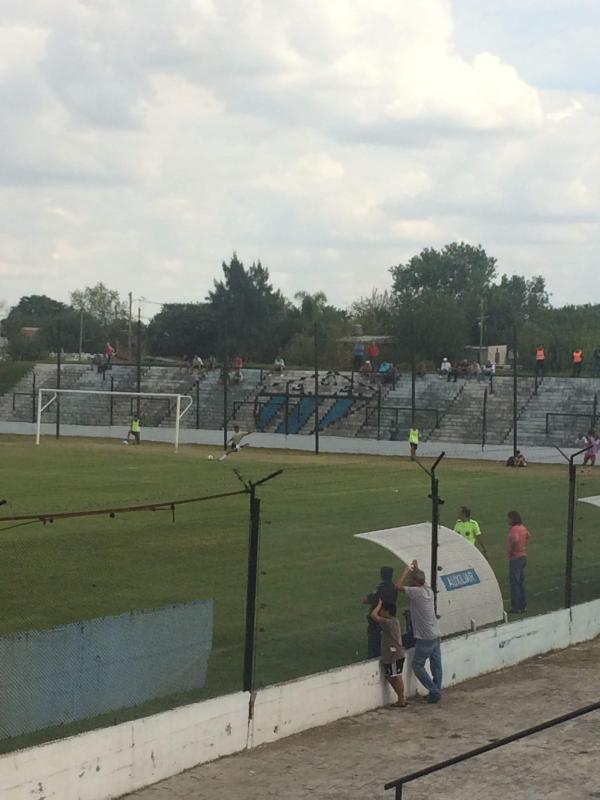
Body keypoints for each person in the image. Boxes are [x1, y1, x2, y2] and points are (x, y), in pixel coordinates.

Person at [396, 560, 442, 703]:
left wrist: (406, 572)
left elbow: (397, 586)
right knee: (436, 664)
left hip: (425, 637)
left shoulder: (415, 592)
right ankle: (436, 690)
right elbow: (422, 580)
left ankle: (434, 691)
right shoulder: (429, 590)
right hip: (435, 634)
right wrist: (417, 569)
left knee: (417, 665)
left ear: (415, 582)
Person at [370, 599, 407, 707]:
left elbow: (373, 615)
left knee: (395, 676)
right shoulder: (394, 621)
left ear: (387, 612)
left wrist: (379, 604)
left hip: (394, 656)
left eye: (382, 610)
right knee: (390, 675)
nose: (380, 611)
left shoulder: (388, 622)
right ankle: (401, 698)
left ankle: (401, 700)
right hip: (394, 655)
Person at [364, 566, 398, 658]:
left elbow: (366, 600)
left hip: (377, 620)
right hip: (390, 618)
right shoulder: (394, 587)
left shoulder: (380, 589)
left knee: (374, 642)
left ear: (381, 575)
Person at [507, 510, 529, 614]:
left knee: (515, 583)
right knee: (520, 582)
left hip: (515, 558)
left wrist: (511, 549)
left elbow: (515, 539)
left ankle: (516, 607)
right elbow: (529, 535)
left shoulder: (514, 529)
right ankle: (523, 605)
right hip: (523, 556)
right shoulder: (523, 528)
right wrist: (523, 545)